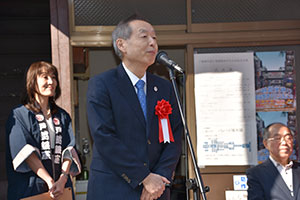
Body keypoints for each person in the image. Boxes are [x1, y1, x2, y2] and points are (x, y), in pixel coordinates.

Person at [86, 14, 183, 200]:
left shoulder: (164, 87)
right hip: (114, 189)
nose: (153, 42)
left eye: (154, 37)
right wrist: (144, 177)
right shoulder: (102, 84)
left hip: (157, 191)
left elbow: (175, 135)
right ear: (122, 45)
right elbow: (104, 136)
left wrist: (161, 176)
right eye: (144, 36)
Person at [5, 61, 81, 200]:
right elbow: (26, 153)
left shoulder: (63, 116)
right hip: (30, 189)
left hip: (61, 189)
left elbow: (69, 149)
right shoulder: (19, 115)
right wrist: (50, 181)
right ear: (33, 81)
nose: (51, 81)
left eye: (53, 77)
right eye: (45, 77)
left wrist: (62, 179)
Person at [246, 123, 300, 199]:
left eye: (288, 138)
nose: (284, 142)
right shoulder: (256, 174)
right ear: (266, 144)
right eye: (277, 138)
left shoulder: (298, 168)